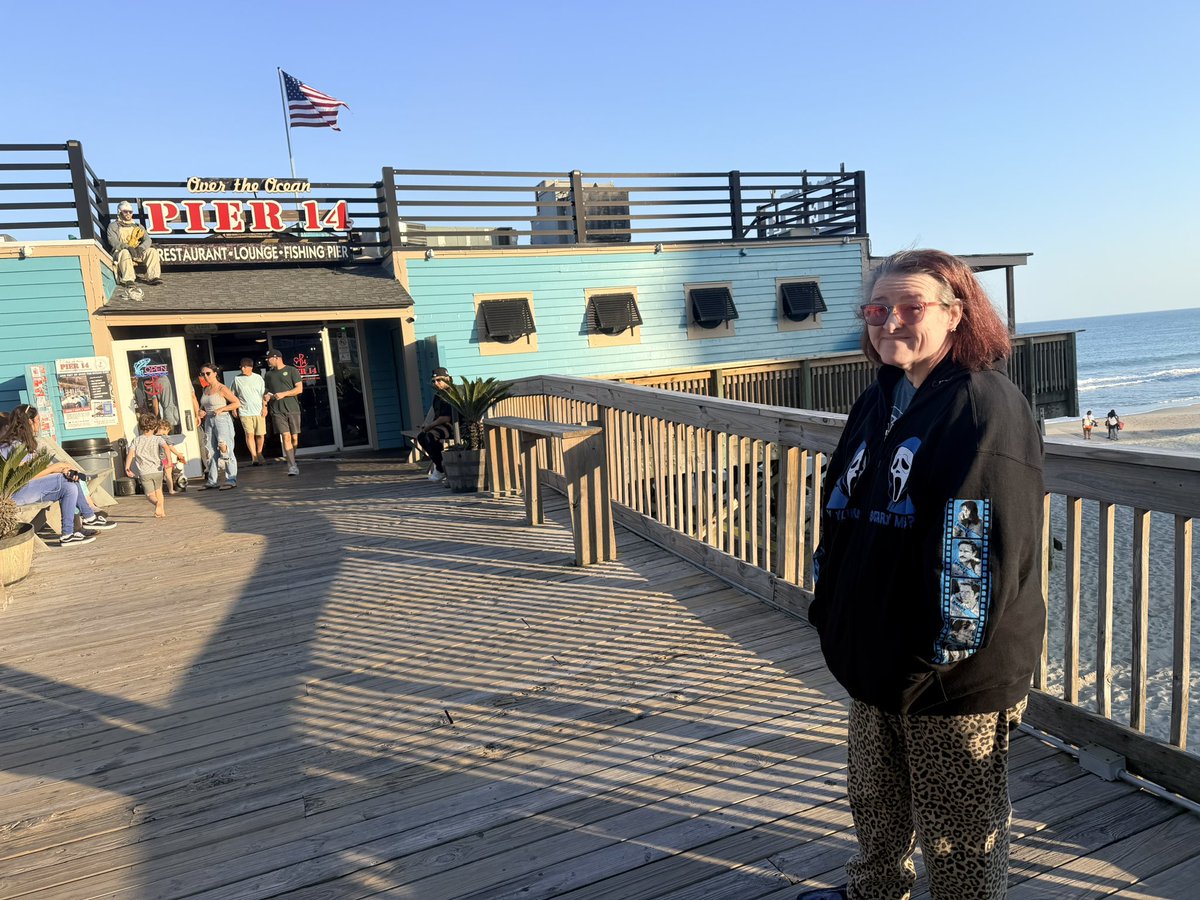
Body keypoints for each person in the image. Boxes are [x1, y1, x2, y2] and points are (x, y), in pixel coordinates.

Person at [801, 249, 1045, 900]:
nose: (890, 322)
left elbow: (978, 549)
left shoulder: (980, 406)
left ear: (957, 314)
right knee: (875, 801)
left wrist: (929, 660)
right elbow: (841, 514)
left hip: (950, 675)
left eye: (911, 308)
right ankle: (873, 891)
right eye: (878, 309)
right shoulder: (879, 400)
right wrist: (831, 613)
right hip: (875, 659)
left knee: (959, 831)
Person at [0, 404, 117, 546]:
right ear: (29, 422)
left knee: (69, 484)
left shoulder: (23, 443)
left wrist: (61, 469)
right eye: (38, 420)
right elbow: (25, 476)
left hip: (29, 489)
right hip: (15, 495)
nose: (40, 424)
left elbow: (33, 472)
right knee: (65, 481)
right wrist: (56, 468)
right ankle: (88, 517)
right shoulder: (12, 445)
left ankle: (69, 533)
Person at [125, 412, 184, 517]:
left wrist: (127, 467)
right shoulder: (158, 439)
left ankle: (157, 504)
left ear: (140, 426)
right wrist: (169, 461)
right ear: (155, 427)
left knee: (149, 494)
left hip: (144, 472)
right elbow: (166, 448)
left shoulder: (136, 440)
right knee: (159, 491)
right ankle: (162, 511)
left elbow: (130, 454)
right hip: (158, 470)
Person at [197, 363, 240, 489]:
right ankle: (212, 480)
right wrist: (200, 412)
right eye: (203, 374)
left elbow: (236, 403)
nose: (205, 376)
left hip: (222, 419)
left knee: (225, 447)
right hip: (209, 420)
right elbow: (202, 406)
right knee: (210, 450)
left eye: (208, 373)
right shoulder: (205, 389)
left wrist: (222, 409)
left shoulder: (222, 388)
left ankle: (231, 478)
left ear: (215, 374)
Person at [263, 349, 303, 476]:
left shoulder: (292, 370)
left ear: (276, 358)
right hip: (277, 410)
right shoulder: (268, 375)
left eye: (268, 358)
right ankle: (292, 465)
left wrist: (284, 394)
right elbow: (267, 390)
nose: (267, 360)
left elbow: (299, 389)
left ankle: (292, 458)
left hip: (292, 408)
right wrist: (266, 397)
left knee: (294, 438)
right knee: (285, 436)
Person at [106, 201, 163, 287]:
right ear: (119, 212)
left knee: (152, 251)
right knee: (124, 253)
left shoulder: (138, 226)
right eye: (125, 212)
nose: (128, 214)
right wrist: (127, 247)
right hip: (120, 252)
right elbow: (113, 241)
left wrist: (141, 248)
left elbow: (148, 240)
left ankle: (153, 277)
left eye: (130, 212)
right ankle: (128, 279)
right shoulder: (113, 226)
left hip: (137, 251)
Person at [417, 367, 456, 483]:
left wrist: (429, 426)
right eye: (434, 381)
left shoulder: (452, 394)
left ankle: (440, 469)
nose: (436, 383)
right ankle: (440, 466)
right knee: (421, 436)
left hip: (454, 426)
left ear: (448, 379)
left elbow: (446, 417)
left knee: (430, 436)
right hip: (442, 424)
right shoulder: (438, 395)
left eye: (439, 380)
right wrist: (426, 425)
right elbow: (436, 415)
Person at [232, 358, 268, 466]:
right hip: (244, 411)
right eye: (241, 367)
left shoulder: (258, 379)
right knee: (249, 434)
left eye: (245, 367)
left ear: (250, 367)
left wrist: (265, 407)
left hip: (258, 410)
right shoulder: (237, 379)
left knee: (260, 434)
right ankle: (254, 456)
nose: (242, 369)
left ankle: (259, 452)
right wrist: (234, 409)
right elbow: (233, 395)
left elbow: (263, 395)